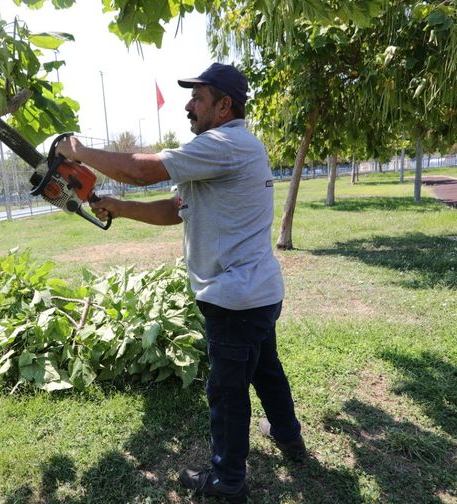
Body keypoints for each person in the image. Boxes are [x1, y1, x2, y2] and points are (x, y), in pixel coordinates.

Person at [55, 62, 305, 502]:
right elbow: (175, 209)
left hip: (234, 299)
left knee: (226, 393)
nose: (188, 106)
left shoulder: (223, 143)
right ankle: (288, 437)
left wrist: (77, 149)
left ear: (224, 106)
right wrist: (119, 206)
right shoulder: (230, 149)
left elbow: (140, 169)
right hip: (258, 294)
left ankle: (228, 481)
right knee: (266, 371)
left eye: (198, 98)